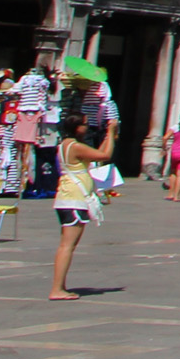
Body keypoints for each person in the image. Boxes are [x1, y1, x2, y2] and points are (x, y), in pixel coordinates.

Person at [47, 111, 115, 301]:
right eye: (84, 124)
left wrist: (108, 136)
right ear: (77, 128)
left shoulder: (67, 145)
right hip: (73, 199)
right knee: (67, 246)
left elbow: (96, 156)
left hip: (68, 197)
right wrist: (110, 132)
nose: (87, 127)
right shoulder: (75, 146)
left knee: (67, 245)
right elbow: (105, 155)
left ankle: (60, 286)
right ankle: (57, 288)